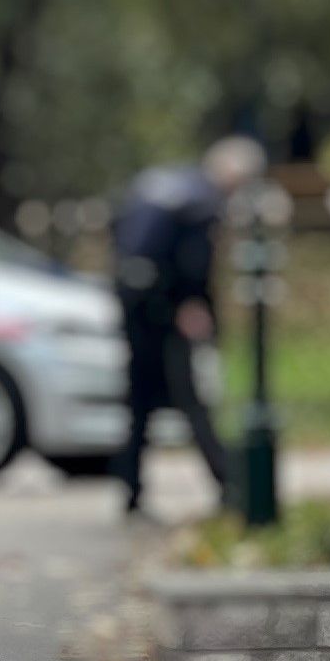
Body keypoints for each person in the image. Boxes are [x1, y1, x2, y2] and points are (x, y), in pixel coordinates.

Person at [110, 136, 260, 516]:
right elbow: (195, 265)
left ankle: (130, 490)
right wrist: (195, 305)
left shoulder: (164, 184)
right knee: (191, 398)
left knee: (139, 400)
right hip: (167, 308)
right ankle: (229, 484)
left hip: (133, 302)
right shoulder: (202, 204)